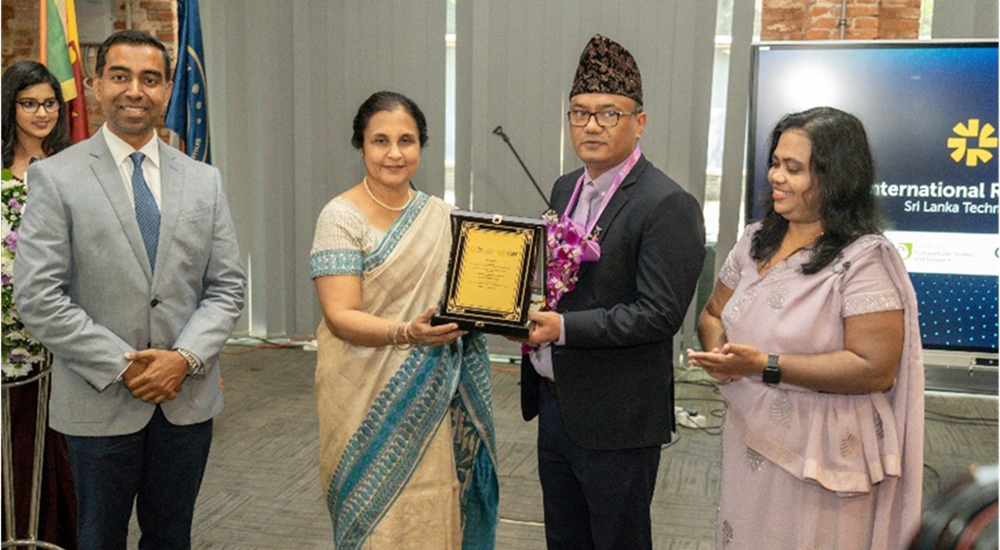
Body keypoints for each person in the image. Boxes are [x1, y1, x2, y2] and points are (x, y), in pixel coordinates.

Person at [13, 30, 246, 550]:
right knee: (98, 538)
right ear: (97, 86)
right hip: (99, 401)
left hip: (185, 401)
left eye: (150, 79)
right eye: (120, 76)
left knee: (171, 537)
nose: (134, 90)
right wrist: (127, 366)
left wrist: (182, 359)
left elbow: (226, 286)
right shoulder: (55, 178)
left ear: (167, 89)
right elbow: (38, 295)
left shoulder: (204, 180)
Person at [687, 107, 924, 550]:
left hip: (825, 457)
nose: (776, 176)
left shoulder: (864, 260)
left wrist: (767, 366)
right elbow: (713, 314)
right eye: (775, 163)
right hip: (750, 437)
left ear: (835, 178)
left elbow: (874, 368)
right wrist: (721, 358)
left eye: (793, 168)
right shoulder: (756, 239)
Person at [518, 35, 705, 550]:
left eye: (609, 114)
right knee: (565, 539)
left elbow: (659, 314)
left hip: (617, 418)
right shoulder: (564, 188)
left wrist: (563, 328)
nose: (592, 126)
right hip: (556, 404)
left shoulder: (667, 203)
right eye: (580, 113)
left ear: (639, 122)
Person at [311, 91, 498, 550]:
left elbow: (474, 298)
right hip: (363, 401)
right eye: (380, 141)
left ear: (421, 146)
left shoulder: (444, 217)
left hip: (437, 401)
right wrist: (406, 333)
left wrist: (517, 308)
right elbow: (340, 315)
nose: (394, 154)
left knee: (435, 513)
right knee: (378, 526)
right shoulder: (339, 217)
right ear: (361, 146)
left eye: (407, 141)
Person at [1, 59, 77, 548]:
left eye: (50, 103)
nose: (41, 113)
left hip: (61, 334)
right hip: (5, 336)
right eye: (29, 103)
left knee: (58, 445)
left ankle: (54, 536)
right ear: (10, 108)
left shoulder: (74, 167)